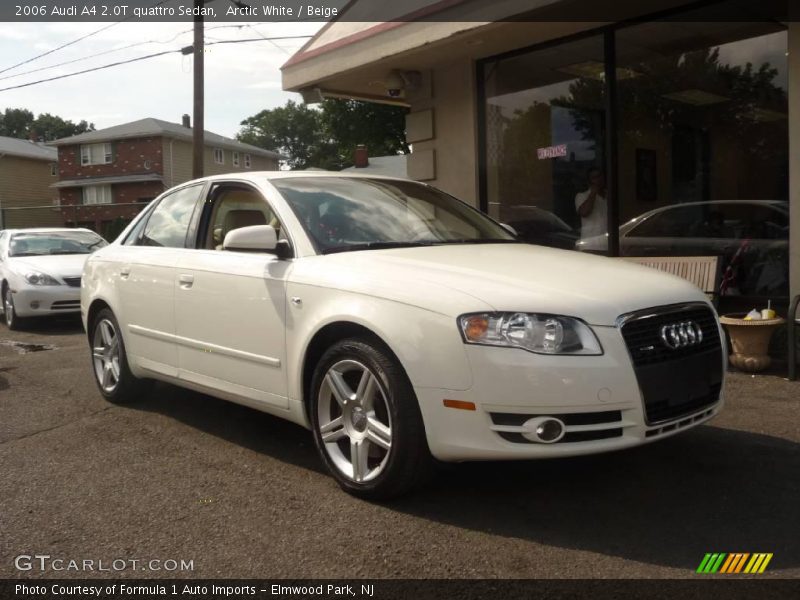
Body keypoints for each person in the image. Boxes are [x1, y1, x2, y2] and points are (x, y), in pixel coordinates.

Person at [575, 168, 607, 244]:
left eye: (600, 176)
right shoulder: (582, 196)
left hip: (608, 244)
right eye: (594, 178)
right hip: (590, 244)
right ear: (589, 181)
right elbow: (584, 212)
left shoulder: (609, 196)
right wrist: (593, 193)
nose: (598, 180)